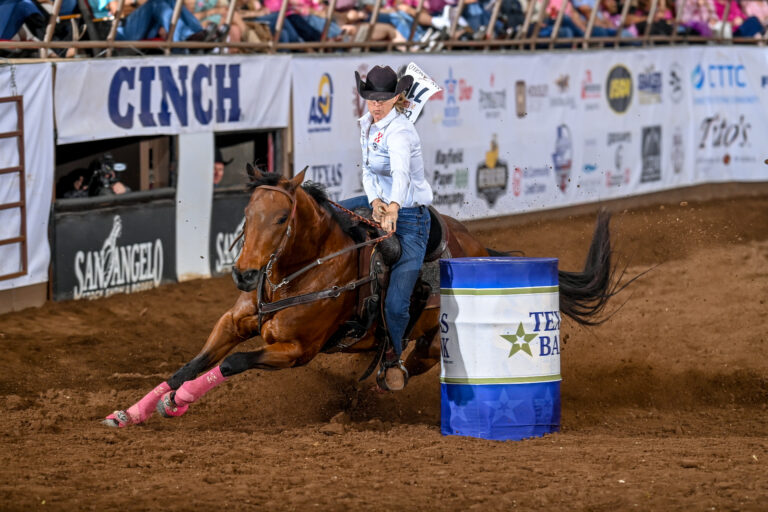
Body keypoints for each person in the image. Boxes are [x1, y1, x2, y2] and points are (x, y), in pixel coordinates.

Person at [339, 65, 433, 391]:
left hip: (410, 218)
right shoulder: (368, 125)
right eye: (371, 99)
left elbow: (402, 173)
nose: (375, 105)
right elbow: (367, 171)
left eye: (382, 99)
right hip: (381, 204)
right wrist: (375, 201)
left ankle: (394, 356)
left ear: (396, 97)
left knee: (395, 303)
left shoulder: (401, 131)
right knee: (329, 215)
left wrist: (392, 206)